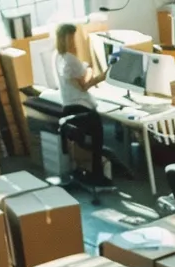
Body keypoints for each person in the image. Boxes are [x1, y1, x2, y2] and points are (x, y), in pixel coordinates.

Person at [55, 22, 114, 188]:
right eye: (72, 38)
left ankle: (94, 170)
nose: (75, 41)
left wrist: (85, 69)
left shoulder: (57, 56)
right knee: (99, 134)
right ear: (68, 39)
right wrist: (102, 76)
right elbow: (85, 85)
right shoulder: (71, 59)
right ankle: (98, 174)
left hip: (67, 108)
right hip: (81, 109)